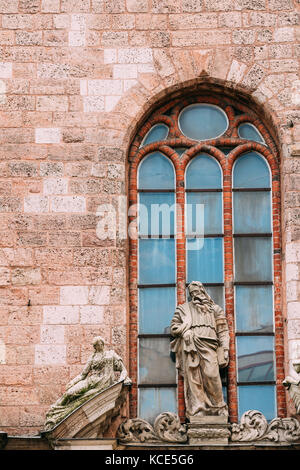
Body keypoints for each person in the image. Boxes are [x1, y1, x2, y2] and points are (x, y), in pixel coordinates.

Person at [170, 281, 229, 419]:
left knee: (212, 374)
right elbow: (174, 327)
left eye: (197, 292)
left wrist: (225, 349)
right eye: (192, 293)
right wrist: (185, 331)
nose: (195, 295)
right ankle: (198, 408)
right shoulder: (183, 309)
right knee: (194, 378)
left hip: (210, 346)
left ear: (203, 291)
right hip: (191, 345)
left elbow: (223, 330)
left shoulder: (215, 309)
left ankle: (219, 406)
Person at [44, 336, 131, 430]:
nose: (98, 346)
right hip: (90, 381)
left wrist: (121, 380)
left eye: (99, 344)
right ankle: (54, 412)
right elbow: (83, 374)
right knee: (70, 393)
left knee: (82, 398)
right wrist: (72, 383)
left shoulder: (111, 355)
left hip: (102, 384)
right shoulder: (92, 358)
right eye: (96, 345)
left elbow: (123, 370)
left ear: (102, 344)